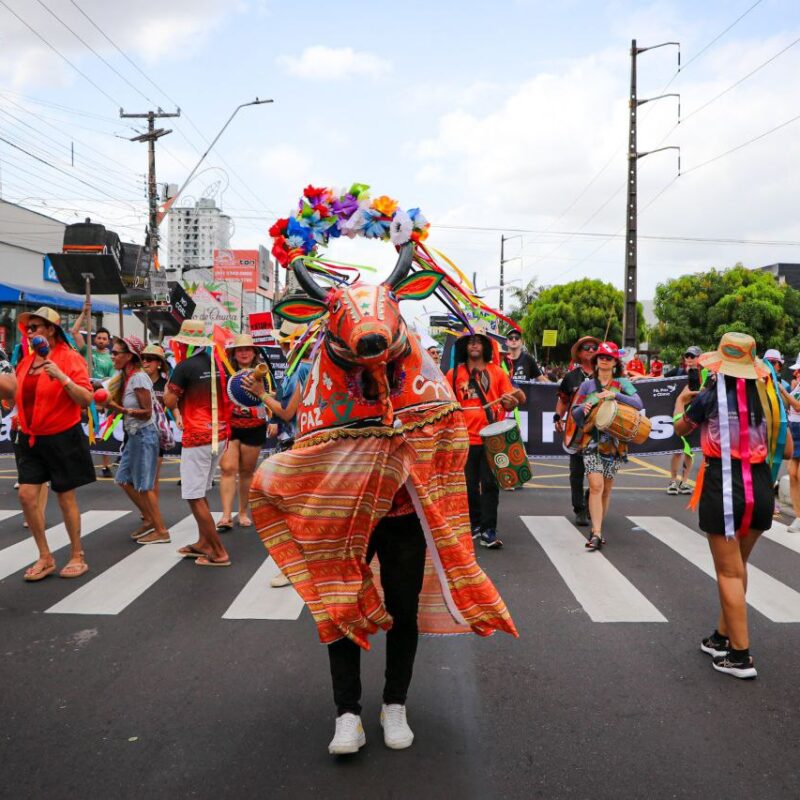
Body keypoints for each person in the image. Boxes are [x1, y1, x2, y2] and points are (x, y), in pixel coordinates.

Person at [674, 332, 784, 679]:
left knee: (729, 572)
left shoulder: (708, 396)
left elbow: (681, 428)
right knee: (737, 567)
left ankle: (740, 655)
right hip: (761, 487)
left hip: (723, 484)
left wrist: (681, 400)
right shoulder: (767, 396)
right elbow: (787, 447)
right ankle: (722, 636)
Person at [0, 307, 95, 580]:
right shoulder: (26, 362)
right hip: (30, 438)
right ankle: (45, 556)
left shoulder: (70, 358)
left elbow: (86, 399)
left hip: (62, 436)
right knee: (26, 496)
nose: (30, 333)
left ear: (51, 329)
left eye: (35, 327)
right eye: (28, 329)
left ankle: (77, 554)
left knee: (65, 497)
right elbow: (15, 395)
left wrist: (62, 377)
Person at [445, 331, 525, 548]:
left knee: (490, 485)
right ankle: (475, 523)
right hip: (463, 438)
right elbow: (445, 403)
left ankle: (489, 529)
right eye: (470, 342)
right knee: (468, 486)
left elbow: (510, 403)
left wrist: (510, 401)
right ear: (464, 347)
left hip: (492, 438)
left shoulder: (497, 372)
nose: (474, 345)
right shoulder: (453, 374)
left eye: (478, 342)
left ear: (485, 347)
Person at [248, 319, 312, 587]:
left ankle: (294, 567)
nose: (282, 347)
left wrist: (262, 395)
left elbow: (287, 412)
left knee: (290, 509)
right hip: (306, 444)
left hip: (299, 445)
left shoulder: (300, 371)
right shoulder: (309, 367)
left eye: (284, 343)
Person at [163, 320, 231, 567]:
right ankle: (204, 542)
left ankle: (218, 552)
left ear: (184, 342)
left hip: (198, 436)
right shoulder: (219, 363)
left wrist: (169, 391)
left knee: (194, 495)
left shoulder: (185, 366)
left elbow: (169, 400)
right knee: (200, 492)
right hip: (219, 435)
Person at [571, 341, 643, 550]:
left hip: (614, 444)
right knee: (596, 486)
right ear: (596, 361)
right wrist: (582, 409)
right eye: (601, 357)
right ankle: (596, 533)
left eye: (608, 358)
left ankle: (598, 527)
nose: (604, 360)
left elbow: (639, 403)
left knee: (606, 489)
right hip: (591, 442)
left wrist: (615, 395)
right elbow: (575, 414)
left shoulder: (622, 383)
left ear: (615, 362)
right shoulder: (587, 385)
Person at [103, 336, 169, 545]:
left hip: (144, 434)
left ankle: (161, 531)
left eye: (116, 353)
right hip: (134, 435)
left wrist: (120, 409)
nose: (112, 356)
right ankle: (149, 519)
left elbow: (147, 412)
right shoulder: (126, 377)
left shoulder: (139, 378)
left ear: (129, 356)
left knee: (144, 486)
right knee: (123, 479)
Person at [217, 334, 268, 531]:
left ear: (254, 353)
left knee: (247, 471)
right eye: (240, 350)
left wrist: (269, 416)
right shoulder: (224, 372)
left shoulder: (263, 372)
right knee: (228, 468)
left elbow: (271, 396)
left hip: (254, 427)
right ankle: (226, 515)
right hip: (230, 426)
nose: (244, 353)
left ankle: (243, 512)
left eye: (248, 349)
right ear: (234, 353)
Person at [555, 336, 600, 526]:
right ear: (579, 353)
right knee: (577, 471)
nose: (591, 350)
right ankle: (579, 508)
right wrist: (558, 417)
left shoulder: (605, 374)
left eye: (594, 347)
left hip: (600, 430)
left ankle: (592, 499)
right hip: (576, 431)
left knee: (600, 471)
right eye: (586, 347)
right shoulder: (571, 377)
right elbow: (563, 400)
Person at [71, 303, 115, 477]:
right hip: (83, 394)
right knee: (77, 430)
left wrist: (100, 383)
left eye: (105, 339)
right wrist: (83, 312)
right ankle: (76, 463)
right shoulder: (87, 350)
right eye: (99, 338)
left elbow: (111, 380)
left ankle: (105, 466)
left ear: (108, 342)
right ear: (95, 339)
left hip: (99, 398)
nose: (101, 341)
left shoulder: (111, 359)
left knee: (102, 431)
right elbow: (75, 332)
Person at [140, 344, 181, 504]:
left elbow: (173, 405)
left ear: (158, 363)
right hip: (137, 434)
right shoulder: (136, 381)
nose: (145, 362)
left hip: (156, 435)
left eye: (149, 359)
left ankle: (151, 510)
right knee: (138, 476)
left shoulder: (166, 384)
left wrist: (178, 417)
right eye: (143, 359)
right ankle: (146, 508)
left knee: (152, 477)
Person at [665, 345, 703, 495]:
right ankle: (673, 481)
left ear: (699, 358)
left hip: (695, 415)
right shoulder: (678, 372)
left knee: (689, 451)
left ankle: (685, 482)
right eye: (687, 356)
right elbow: (659, 380)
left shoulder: (705, 374)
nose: (689, 359)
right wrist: (641, 378)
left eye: (692, 356)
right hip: (678, 415)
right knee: (677, 450)